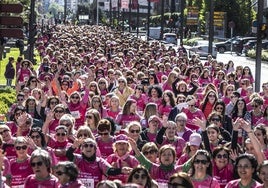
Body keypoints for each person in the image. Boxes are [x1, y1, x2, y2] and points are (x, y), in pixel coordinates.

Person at [66, 137, 132, 186]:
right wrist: (73, 147)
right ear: (82, 150)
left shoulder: (99, 161)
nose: (88, 147)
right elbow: (68, 154)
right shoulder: (77, 159)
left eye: (91, 145)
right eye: (86, 145)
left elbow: (110, 171)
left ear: (95, 149)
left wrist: (121, 170)